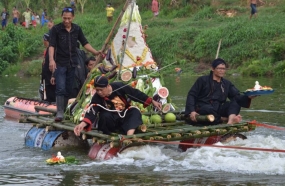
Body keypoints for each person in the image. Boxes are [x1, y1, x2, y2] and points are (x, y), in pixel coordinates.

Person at [49, 7, 102, 122]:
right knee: (60, 88)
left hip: (72, 63)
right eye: (64, 18)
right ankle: (59, 113)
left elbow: (84, 43)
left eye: (69, 18)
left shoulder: (77, 29)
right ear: (61, 17)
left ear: (73, 17)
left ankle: (67, 110)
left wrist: (95, 52)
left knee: (69, 88)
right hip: (60, 64)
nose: (66, 21)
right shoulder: (56, 29)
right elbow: (51, 45)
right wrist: (51, 60)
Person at [74, 75, 162, 136]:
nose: (99, 92)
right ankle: (108, 137)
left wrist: (152, 101)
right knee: (104, 116)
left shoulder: (119, 86)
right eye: (97, 90)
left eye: (101, 90)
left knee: (135, 112)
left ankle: (129, 137)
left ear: (107, 86)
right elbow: (92, 111)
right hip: (111, 120)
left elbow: (135, 94)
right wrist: (82, 124)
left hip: (124, 115)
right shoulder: (97, 97)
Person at [184, 58, 255, 126]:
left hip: (217, 109)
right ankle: (223, 119)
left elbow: (237, 96)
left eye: (223, 69)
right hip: (202, 108)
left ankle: (230, 122)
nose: (222, 71)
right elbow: (192, 95)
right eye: (219, 68)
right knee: (208, 109)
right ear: (213, 69)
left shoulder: (226, 84)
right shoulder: (202, 80)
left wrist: (249, 97)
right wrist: (192, 111)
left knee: (236, 102)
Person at [40, 33, 56, 102]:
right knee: (44, 92)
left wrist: (53, 75)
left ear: (46, 40)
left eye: (43, 40)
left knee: (50, 93)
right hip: (45, 77)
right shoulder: (47, 50)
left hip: (49, 78)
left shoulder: (51, 51)